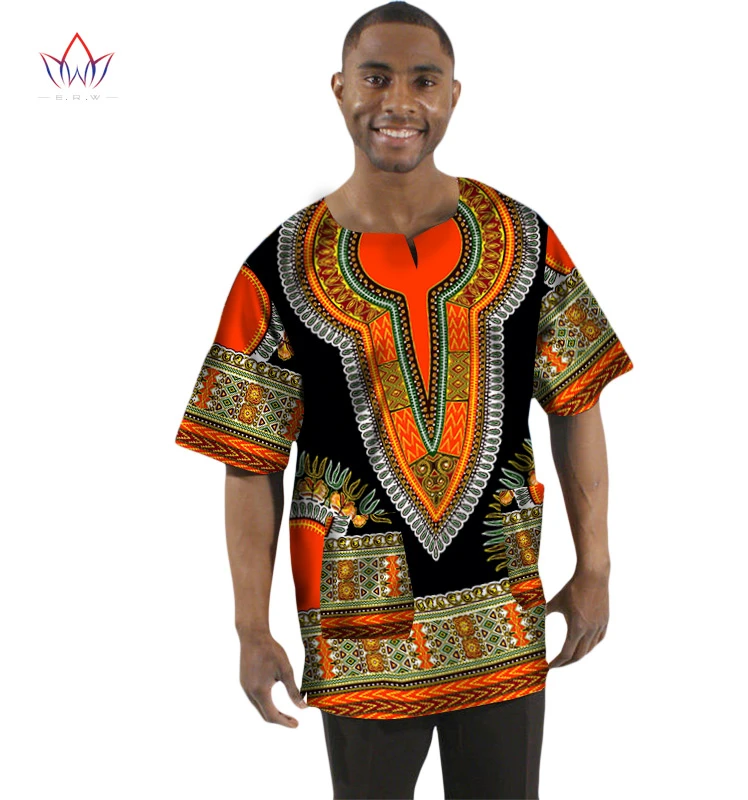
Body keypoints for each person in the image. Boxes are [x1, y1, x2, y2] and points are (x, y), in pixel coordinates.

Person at [174, 3, 634, 798]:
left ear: (453, 94)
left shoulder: (525, 240)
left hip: (501, 616)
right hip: (360, 627)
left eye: (423, 81)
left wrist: (595, 566)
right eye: (376, 77)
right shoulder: (279, 267)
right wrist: (250, 625)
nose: (398, 102)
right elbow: (247, 459)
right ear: (339, 88)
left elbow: (577, 400)